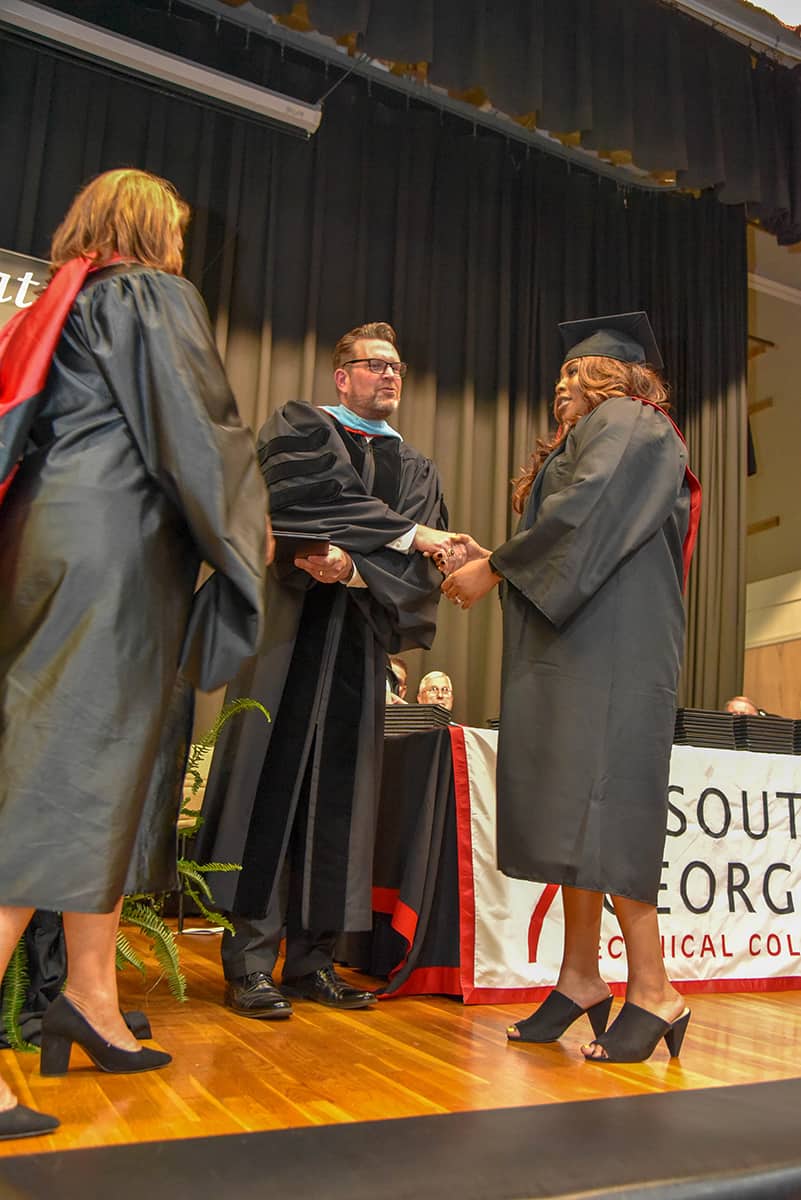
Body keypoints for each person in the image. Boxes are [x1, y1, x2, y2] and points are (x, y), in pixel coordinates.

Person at [0, 168, 267, 1139]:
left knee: (94, 777)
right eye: (181, 232)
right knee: (54, 780)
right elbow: (204, 432)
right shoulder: (146, 295)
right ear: (153, 229)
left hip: (47, 549)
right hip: (109, 561)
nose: (186, 249)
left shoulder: (60, 305)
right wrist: (249, 535)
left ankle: (90, 998)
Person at [442, 312, 701, 1063]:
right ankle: (581, 974)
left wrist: (492, 570)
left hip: (612, 654)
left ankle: (653, 986)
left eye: (573, 374)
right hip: (581, 641)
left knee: (606, 804)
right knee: (572, 807)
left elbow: (581, 516)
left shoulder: (631, 420)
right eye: (559, 375)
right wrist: (498, 559)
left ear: (614, 375)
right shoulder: (606, 432)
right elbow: (571, 537)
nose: (560, 386)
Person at [196, 321, 459, 1019]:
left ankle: (312, 963)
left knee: (339, 807)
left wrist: (354, 566)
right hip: (287, 637)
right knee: (269, 790)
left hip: (358, 647)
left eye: (397, 366)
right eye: (373, 365)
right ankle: (250, 962)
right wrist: (396, 540)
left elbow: (418, 573)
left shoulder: (419, 470)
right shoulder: (299, 425)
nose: (388, 375)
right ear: (340, 376)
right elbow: (298, 503)